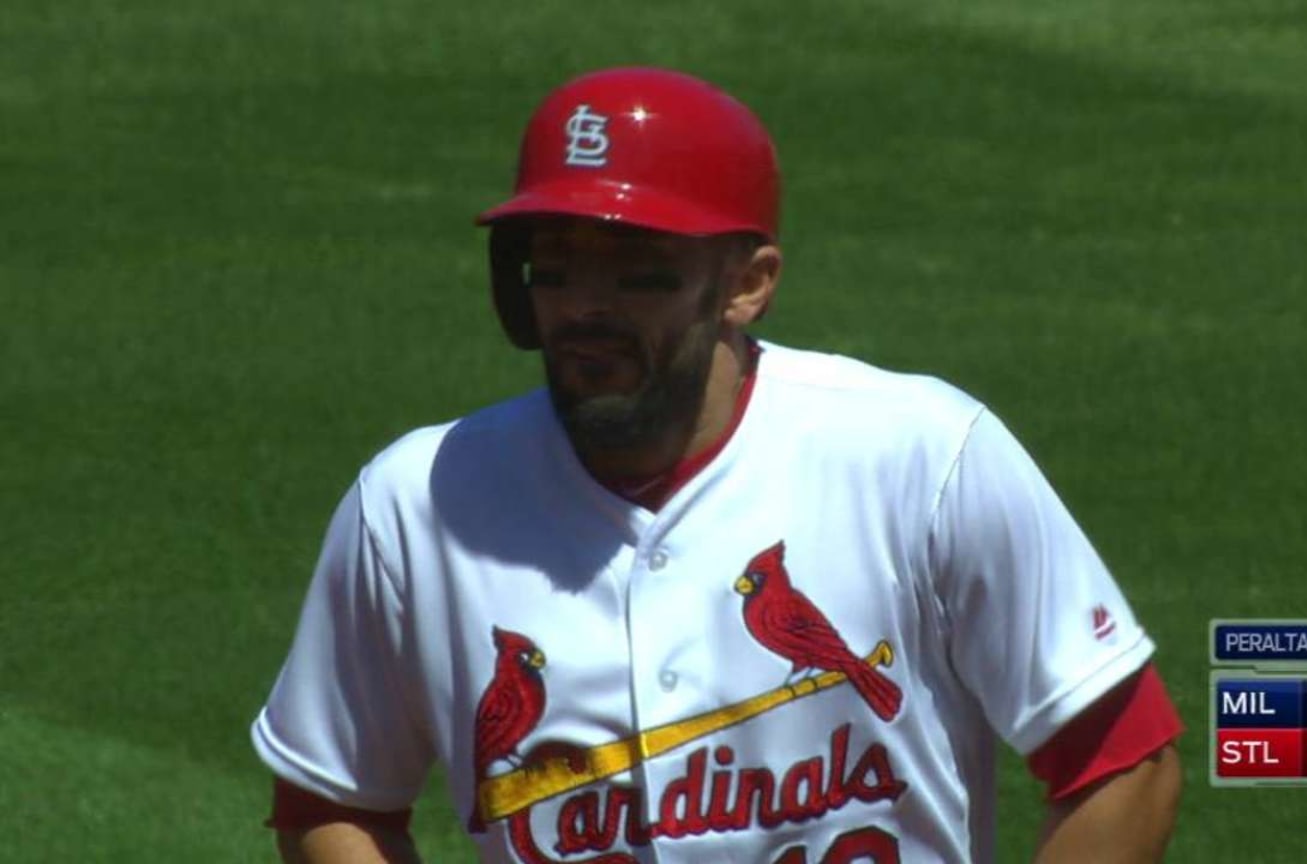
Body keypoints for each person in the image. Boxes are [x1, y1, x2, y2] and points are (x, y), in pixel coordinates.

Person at [252, 66, 1184, 864]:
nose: (585, 307)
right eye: (558, 269)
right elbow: (332, 800)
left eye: (636, 272)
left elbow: (1122, 759)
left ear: (747, 284)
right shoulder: (416, 504)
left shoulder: (919, 456)